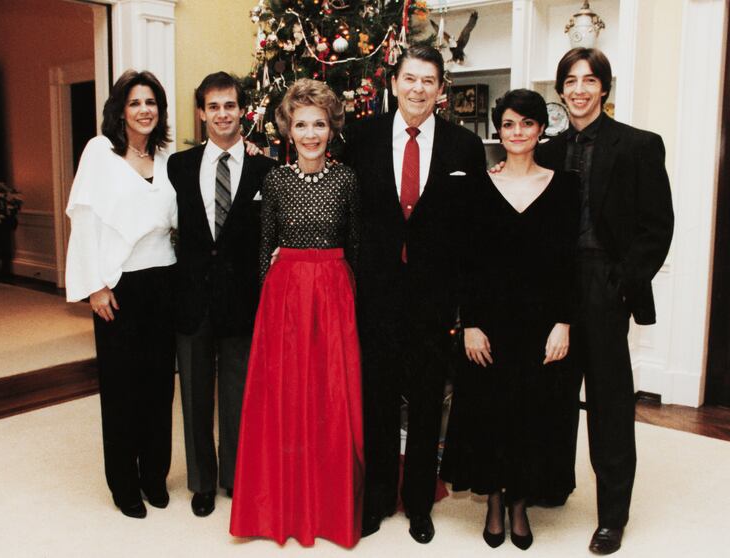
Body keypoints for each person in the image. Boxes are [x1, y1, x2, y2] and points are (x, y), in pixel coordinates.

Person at [342, 45, 487, 544]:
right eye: (410, 78)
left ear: (442, 90)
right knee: (377, 398)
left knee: (427, 401)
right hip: (375, 294)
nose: (418, 88)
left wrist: (466, 306)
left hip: (433, 298)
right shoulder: (358, 137)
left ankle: (420, 502)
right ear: (393, 82)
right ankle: (380, 497)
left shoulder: (464, 147)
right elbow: (337, 202)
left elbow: (472, 233)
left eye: (429, 80)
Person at [535, 48, 674, 555]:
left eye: (589, 80)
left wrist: (621, 282)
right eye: (570, 81)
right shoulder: (546, 151)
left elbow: (657, 228)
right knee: (551, 392)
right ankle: (551, 486)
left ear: (604, 88)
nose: (578, 89)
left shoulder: (638, 146)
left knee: (609, 405)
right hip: (554, 286)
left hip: (605, 284)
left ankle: (612, 516)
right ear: (560, 89)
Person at [440, 89, 579, 550]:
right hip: (490, 325)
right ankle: (495, 502)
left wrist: (564, 322)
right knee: (490, 414)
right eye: (509, 125)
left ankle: (520, 504)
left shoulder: (566, 186)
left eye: (527, 124)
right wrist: (471, 324)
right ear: (497, 131)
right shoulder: (475, 187)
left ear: (541, 130)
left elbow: (568, 263)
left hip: (541, 327)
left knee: (532, 416)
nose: (517, 133)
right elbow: (465, 262)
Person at [230, 79, 363, 548]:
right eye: (302, 124)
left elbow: (358, 248)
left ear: (332, 129)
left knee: (330, 395)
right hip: (284, 297)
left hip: (332, 294)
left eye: (319, 124)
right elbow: (266, 249)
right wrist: (270, 305)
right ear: (287, 130)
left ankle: (329, 506)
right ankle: (282, 505)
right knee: (284, 397)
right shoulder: (275, 181)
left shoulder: (347, 179)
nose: (310, 134)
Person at [65, 70, 176, 519]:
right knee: (121, 387)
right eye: (135, 103)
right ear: (120, 110)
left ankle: (154, 475)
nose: (144, 110)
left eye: (151, 102)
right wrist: (95, 284)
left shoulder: (169, 159)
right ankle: (124, 484)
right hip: (118, 286)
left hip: (164, 280)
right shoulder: (99, 153)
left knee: (157, 387)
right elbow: (85, 221)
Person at [167, 72, 276, 517]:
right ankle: (202, 482)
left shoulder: (265, 169)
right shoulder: (178, 165)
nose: (222, 114)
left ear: (242, 110)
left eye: (229, 105)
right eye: (213, 107)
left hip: (243, 300)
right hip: (192, 297)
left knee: (237, 394)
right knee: (194, 393)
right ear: (202, 112)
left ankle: (234, 475)